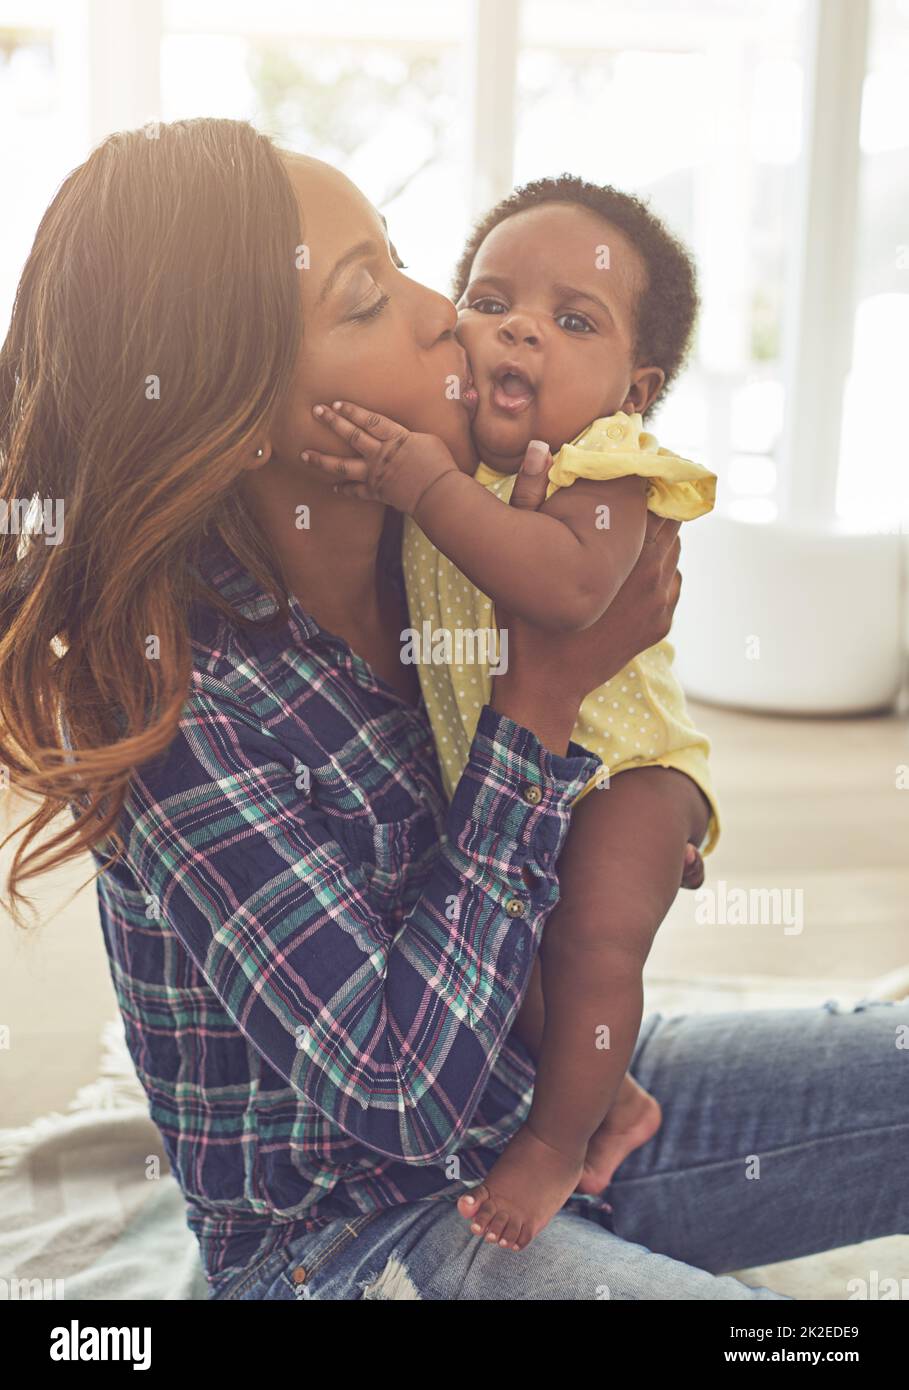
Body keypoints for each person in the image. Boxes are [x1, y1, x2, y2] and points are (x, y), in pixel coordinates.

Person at [1, 119, 905, 1302]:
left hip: (540, 1117)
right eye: (367, 297)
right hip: (351, 1239)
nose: (443, 313)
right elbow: (394, 1088)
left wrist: (622, 821)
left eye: (403, 257)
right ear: (234, 415)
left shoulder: (451, 550)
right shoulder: (175, 704)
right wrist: (538, 705)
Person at [300, 173, 721, 1248]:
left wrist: (419, 482)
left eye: (571, 320)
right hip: (529, 765)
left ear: (635, 386)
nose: (515, 330)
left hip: (627, 770)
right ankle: (611, 1092)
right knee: (512, 961)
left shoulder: (607, 465)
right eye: (491, 303)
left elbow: (573, 594)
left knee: (588, 946)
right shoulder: (463, 463)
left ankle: (554, 1144)